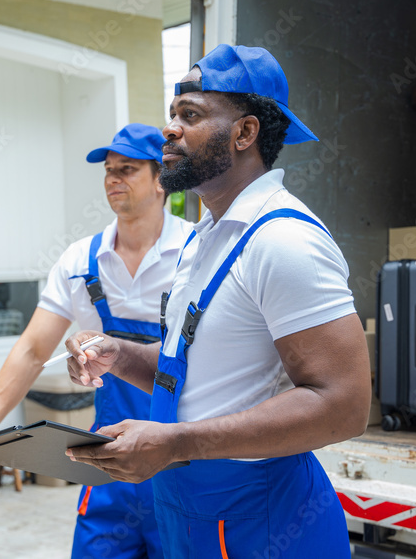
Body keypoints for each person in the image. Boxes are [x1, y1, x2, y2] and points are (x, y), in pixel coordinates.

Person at [64, 45, 371, 558]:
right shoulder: (204, 239)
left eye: (191, 115)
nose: (170, 130)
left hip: (263, 520)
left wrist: (178, 442)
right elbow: (200, 376)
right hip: (188, 508)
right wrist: (119, 355)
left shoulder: (284, 242)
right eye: (172, 116)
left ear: (245, 133)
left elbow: (343, 407)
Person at [0, 123, 191, 559]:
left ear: (161, 180)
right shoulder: (81, 262)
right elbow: (31, 350)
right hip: (108, 469)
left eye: (128, 169)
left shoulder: (195, 253)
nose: (112, 179)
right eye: (108, 170)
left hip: (180, 467)